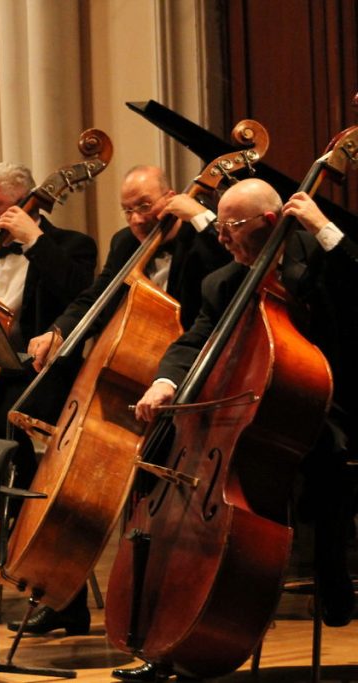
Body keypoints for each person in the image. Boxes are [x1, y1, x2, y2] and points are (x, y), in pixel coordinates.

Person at [127, 179, 358, 681]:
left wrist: (323, 226)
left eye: (230, 225)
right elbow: (195, 340)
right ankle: (168, 635)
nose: (220, 236)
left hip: (321, 405)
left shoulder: (317, 262)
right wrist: (165, 383)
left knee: (327, 456)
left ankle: (331, 568)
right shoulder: (223, 282)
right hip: (241, 413)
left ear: (269, 222)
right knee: (167, 462)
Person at [13, 166, 231, 637]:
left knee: (157, 500)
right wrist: (60, 330)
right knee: (88, 488)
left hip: (194, 379)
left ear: (169, 197)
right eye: (127, 210)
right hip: (132, 377)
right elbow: (98, 296)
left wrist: (200, 218)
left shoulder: (200, 238)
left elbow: (232, 277)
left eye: (144, 206)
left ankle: (167, 606)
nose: (135, 219)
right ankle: (63, 594)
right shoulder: (124, 243)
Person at [0, 162, 97, 439]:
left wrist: (34, 241)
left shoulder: (73, 245)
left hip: (38, 376)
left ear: (24, 203)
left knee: (3, 423)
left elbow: (81, 296)